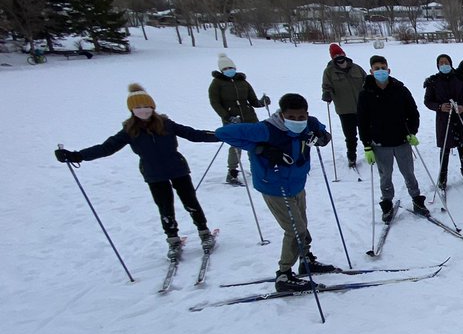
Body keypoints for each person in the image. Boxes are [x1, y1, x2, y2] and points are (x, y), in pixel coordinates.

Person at [56, 83, 220, 260]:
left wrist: (223, 135)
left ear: (152, 107)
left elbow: (194, 134)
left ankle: (204, 232)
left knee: (190, 202)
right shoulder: (129, 130)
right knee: (165, 207)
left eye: (146, 107)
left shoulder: (166, 124)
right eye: (138, 107)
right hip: (153, 173)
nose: (143, 111)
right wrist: (77, 156)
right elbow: (107, 148)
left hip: (177, 169)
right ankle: (173, 240)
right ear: (132, 109)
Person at [216, 93, 337, 291]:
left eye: (301, 117)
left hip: (297, 182)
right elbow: (223, 133)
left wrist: (322, 138)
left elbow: (323, 134)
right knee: (294, 229)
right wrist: (260, 149)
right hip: (274, 185)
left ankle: (305, 259)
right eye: (292, 117)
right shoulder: (265, 130)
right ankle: (284, 274)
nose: (297, 121)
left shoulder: (310, 123)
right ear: (281, 115)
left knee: (302, 224)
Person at [357, 54, 428, 221]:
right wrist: (367, 145)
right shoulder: (365, 93)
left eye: (383, 68)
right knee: (385, 175)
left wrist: (412, 131)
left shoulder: (400, 89)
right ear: (371, 71)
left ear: (388, 70)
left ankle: (417, 200)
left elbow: (413, 112)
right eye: (377, 69)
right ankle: (387, 203)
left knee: (408, 172)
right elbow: (362, 121)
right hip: (380, 144)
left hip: (402, 140)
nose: (380, 71)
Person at [208, 53, 269, 185]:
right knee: (236, 145)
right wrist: (227, 116)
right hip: (232, 120)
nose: (229, 70)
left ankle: (257, 168)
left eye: (231, 67)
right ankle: (232, 172)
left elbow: (253, 101)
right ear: (221, 70)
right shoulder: (216, 84)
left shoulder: (243, 82)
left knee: (256, 142)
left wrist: (262, 102)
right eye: (225, 69)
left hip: (250, 117)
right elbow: (215, 103)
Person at [423, 53, 463, 190]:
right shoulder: (433, 82)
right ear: (438, 65)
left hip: (460, 117)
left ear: (451, 64)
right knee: (445, 147)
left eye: (446, 62)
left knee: (462, 145)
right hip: (444, 119)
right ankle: (443, 176)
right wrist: (439, 107)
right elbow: (428, 101)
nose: (444, 65)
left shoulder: (460, 79)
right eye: (441, 63)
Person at [321, 43, 368, 167]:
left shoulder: (356, 68)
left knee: (367, 132)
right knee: (351, 136)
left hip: (362, 107)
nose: (339, 57)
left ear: (344, 54)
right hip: (345, 109)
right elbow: (326, 86)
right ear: (332, 57)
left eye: (340, 54)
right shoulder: (329, 72)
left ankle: (372, 152)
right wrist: (327, 93)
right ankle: (351, 157)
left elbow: (367, 80)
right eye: (336, 55)